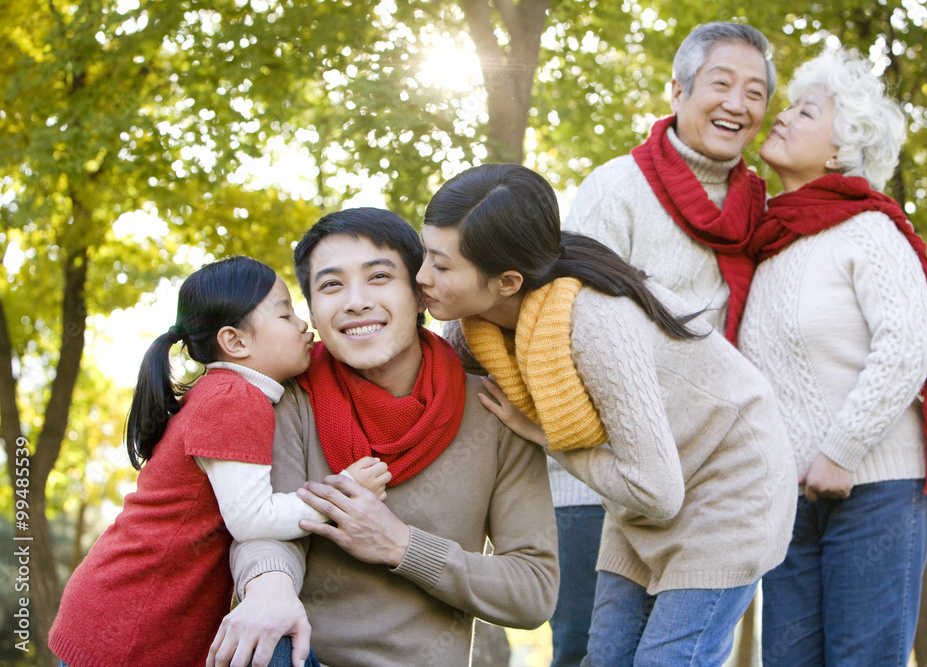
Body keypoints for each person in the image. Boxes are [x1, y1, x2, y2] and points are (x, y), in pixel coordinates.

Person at [417, 163, 796, 666]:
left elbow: (658, 493)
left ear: (507, 281)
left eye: (442, 267)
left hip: (729, 486)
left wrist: (542, 434)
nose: (422, 277)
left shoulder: (595, 322)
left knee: (667, 660)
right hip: (645, 486)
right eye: (425, 255)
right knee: (605, 657)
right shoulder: (480, 331)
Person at [207, 208, 559, 667]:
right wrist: (268, 588)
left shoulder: (494, 410)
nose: (355, 302)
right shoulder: (288, 397)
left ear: (419, 294)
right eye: (331, 285)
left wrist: (400, 545)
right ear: (313, 311)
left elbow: (532, 590)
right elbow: (265, 528)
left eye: (378, 277)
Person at [736, 49, 927, 665]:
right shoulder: (768, 241)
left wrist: (840, 451)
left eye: (804, 110)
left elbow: (907, 346)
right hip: (789, 500)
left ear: (842, 150)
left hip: (877, 486)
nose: (782, 117)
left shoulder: (869, 230)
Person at [556, 23, 776, 663]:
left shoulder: (759, 213)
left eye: (756, 92)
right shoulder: (616, 188)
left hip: (708, 476)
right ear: (676, 89)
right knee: (586, 649)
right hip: (601, 474)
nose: (738, 104)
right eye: (722, 83)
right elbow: (567, 322)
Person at [47, 256, 390, 667]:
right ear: (236, 341)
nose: (305, 325)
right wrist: (342, 493)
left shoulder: (223, 394)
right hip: (129, 622)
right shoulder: (235, 399)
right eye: (285, 313)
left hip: (121, 611)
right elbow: (253, 519)